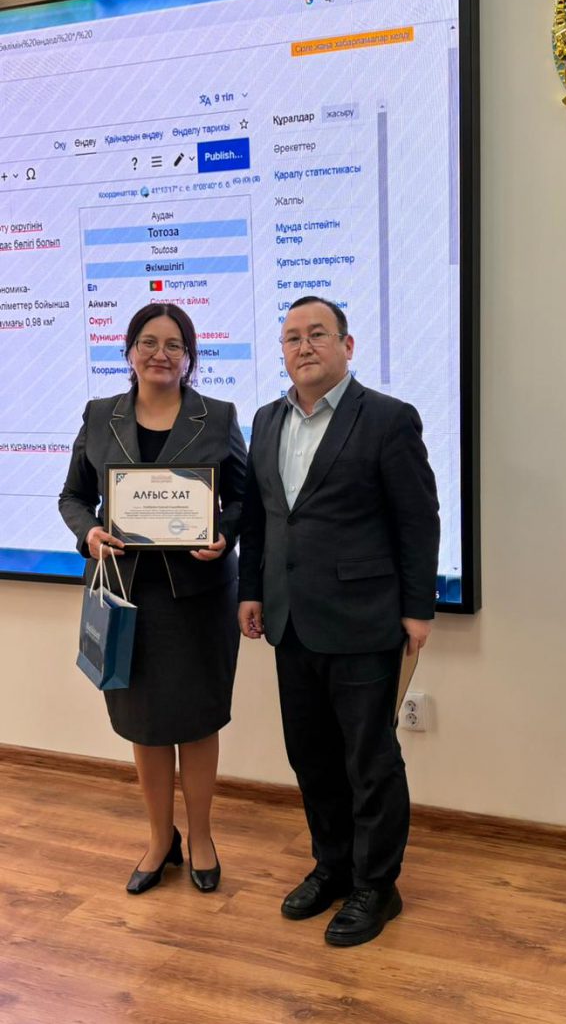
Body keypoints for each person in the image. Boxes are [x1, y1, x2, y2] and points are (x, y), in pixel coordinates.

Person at [238, 296, 440, 947]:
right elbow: (260, 516)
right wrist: (250, 590)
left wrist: (418, 607)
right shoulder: (266, 420)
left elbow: (418, 519)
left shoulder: (387, 418)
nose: (304, 346)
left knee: (369, 760)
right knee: (311, 757)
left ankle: (377, 885)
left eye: (317, 334)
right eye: (292, 337)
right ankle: (333, 867)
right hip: (290, 620)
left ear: (347, 346)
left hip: (364, 619)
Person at [59, 303, 247, 895]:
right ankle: (160, 839)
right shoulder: (100, 415)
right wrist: (89, 533)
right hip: (125, 595)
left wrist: (225, 534)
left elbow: (244, 499)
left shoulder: (218, 416)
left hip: (198, 597)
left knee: (197, 720)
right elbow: (72, 497)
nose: (160, 354)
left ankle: (202, 838)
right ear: (129, 351)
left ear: (190, 357)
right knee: (144, 725)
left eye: (173, 345)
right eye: (148, 342)